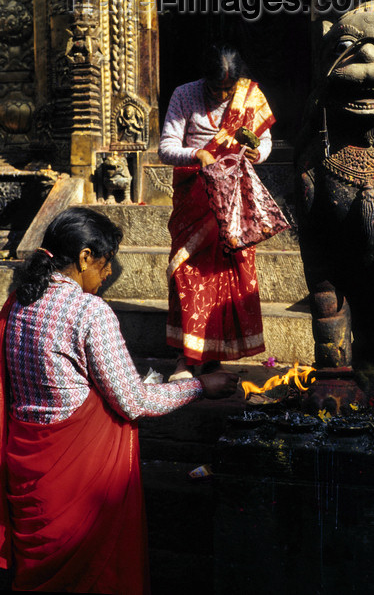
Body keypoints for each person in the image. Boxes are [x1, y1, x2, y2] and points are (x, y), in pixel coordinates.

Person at [0, 206, 238, 594]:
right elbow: (134, 402)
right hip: (79, 478)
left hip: (28, 472)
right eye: (106, 262)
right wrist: (201, 386)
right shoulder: (88, 311)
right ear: (83, 258)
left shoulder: (17, 304)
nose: (108, 274)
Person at [158, 44, 275, 381]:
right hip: (194, 200)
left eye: (228, 88)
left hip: (234, 201)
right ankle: (186, 357)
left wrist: (258, 153)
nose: (223, 95)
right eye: (215, 88)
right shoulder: (184, 95)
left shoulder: (249, 95)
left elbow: (264, 141)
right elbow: (166, 147)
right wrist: (198, 155)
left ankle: (214, 356)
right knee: (188, 274)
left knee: (226, 279)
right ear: (203, 80)